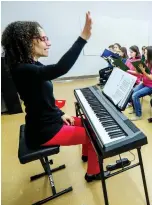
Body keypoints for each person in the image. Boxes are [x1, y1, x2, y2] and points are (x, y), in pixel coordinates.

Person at [1, 12, 105, 182]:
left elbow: (42, 100)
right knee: (95, 137)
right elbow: (60, 68)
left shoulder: (31, 65)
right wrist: (83, 38)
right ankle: (93, 173)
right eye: (44, 38)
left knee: (89, 123)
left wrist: (60, 113)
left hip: (48, 120)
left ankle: (87, 156)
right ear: (27, 41)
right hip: (43, 131)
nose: (49, 42)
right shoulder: (23, 69)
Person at [129, 46, 152, 121]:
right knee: (132, 91)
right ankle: (135, 109)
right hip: (145, 84)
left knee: (135, 95)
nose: (144, 54)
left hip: (151, 87)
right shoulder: (146, 62)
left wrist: (143, 71)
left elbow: (151, 77)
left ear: (150, 54)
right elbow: (140, 74)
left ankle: (138, 115)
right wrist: (136, 70)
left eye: (145, 53)